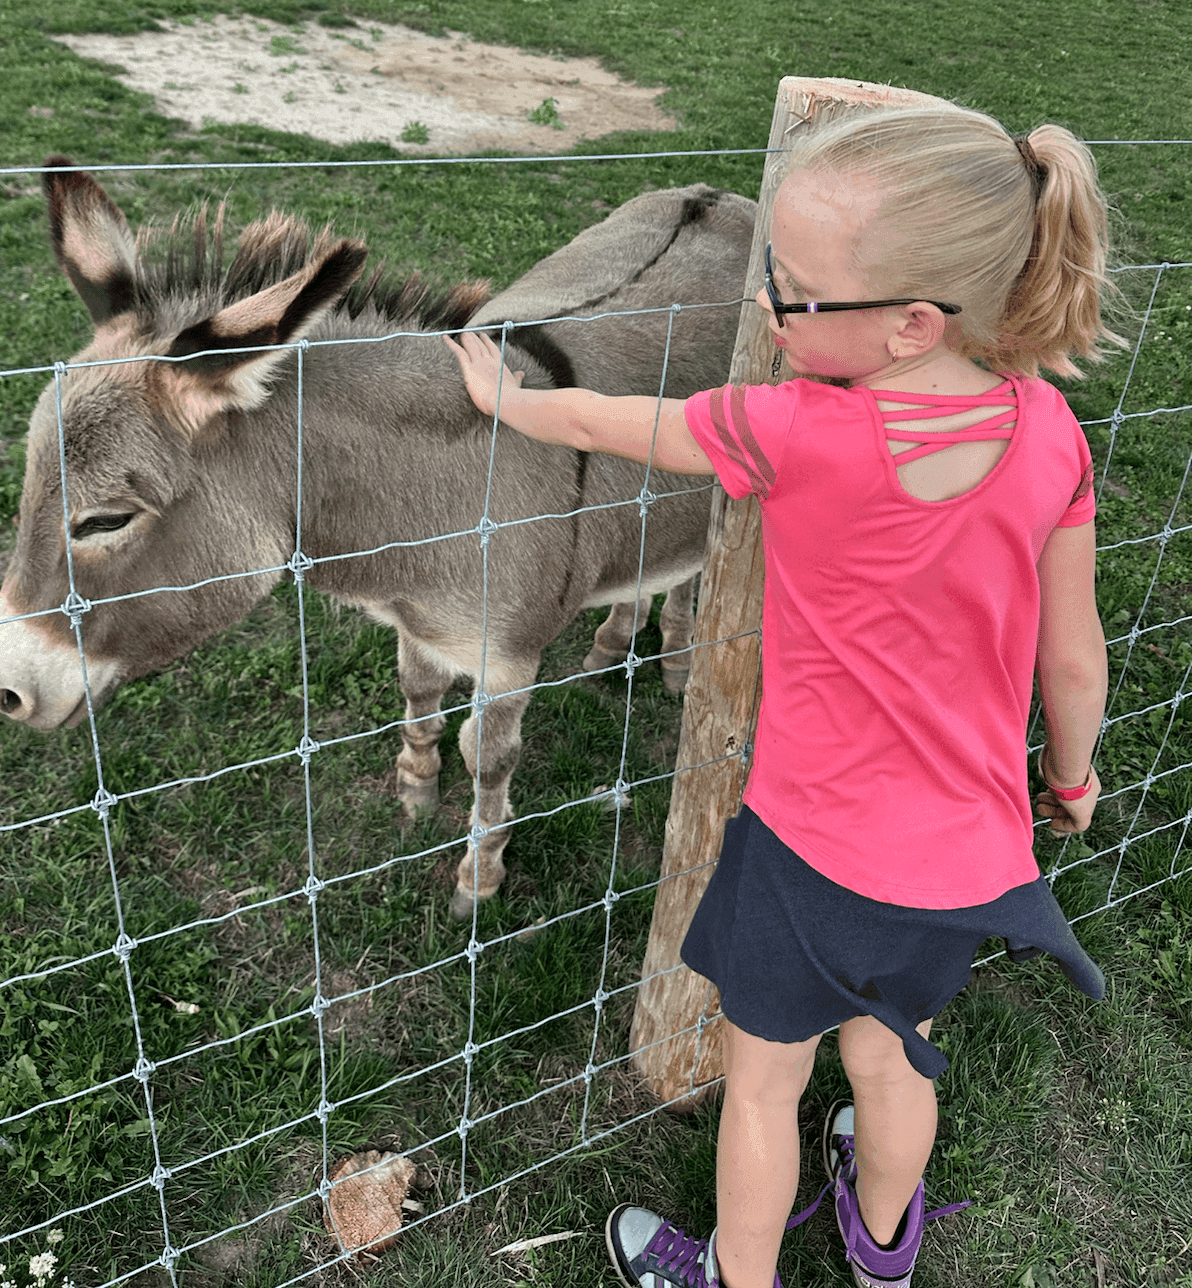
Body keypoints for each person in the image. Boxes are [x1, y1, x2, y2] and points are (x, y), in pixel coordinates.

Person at [445, 102, 1118, 1288]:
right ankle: (883, 1241)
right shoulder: (1050, 431)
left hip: (808, 856)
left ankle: (733, 1274)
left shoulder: (795, 429)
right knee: (896, 1059)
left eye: (795, 292)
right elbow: (1071, 657)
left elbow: (617, 422)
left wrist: (508, 401)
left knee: (764, 1083)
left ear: (911, 322)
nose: (765, 304)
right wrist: (1071, 776)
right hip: (968, 858)